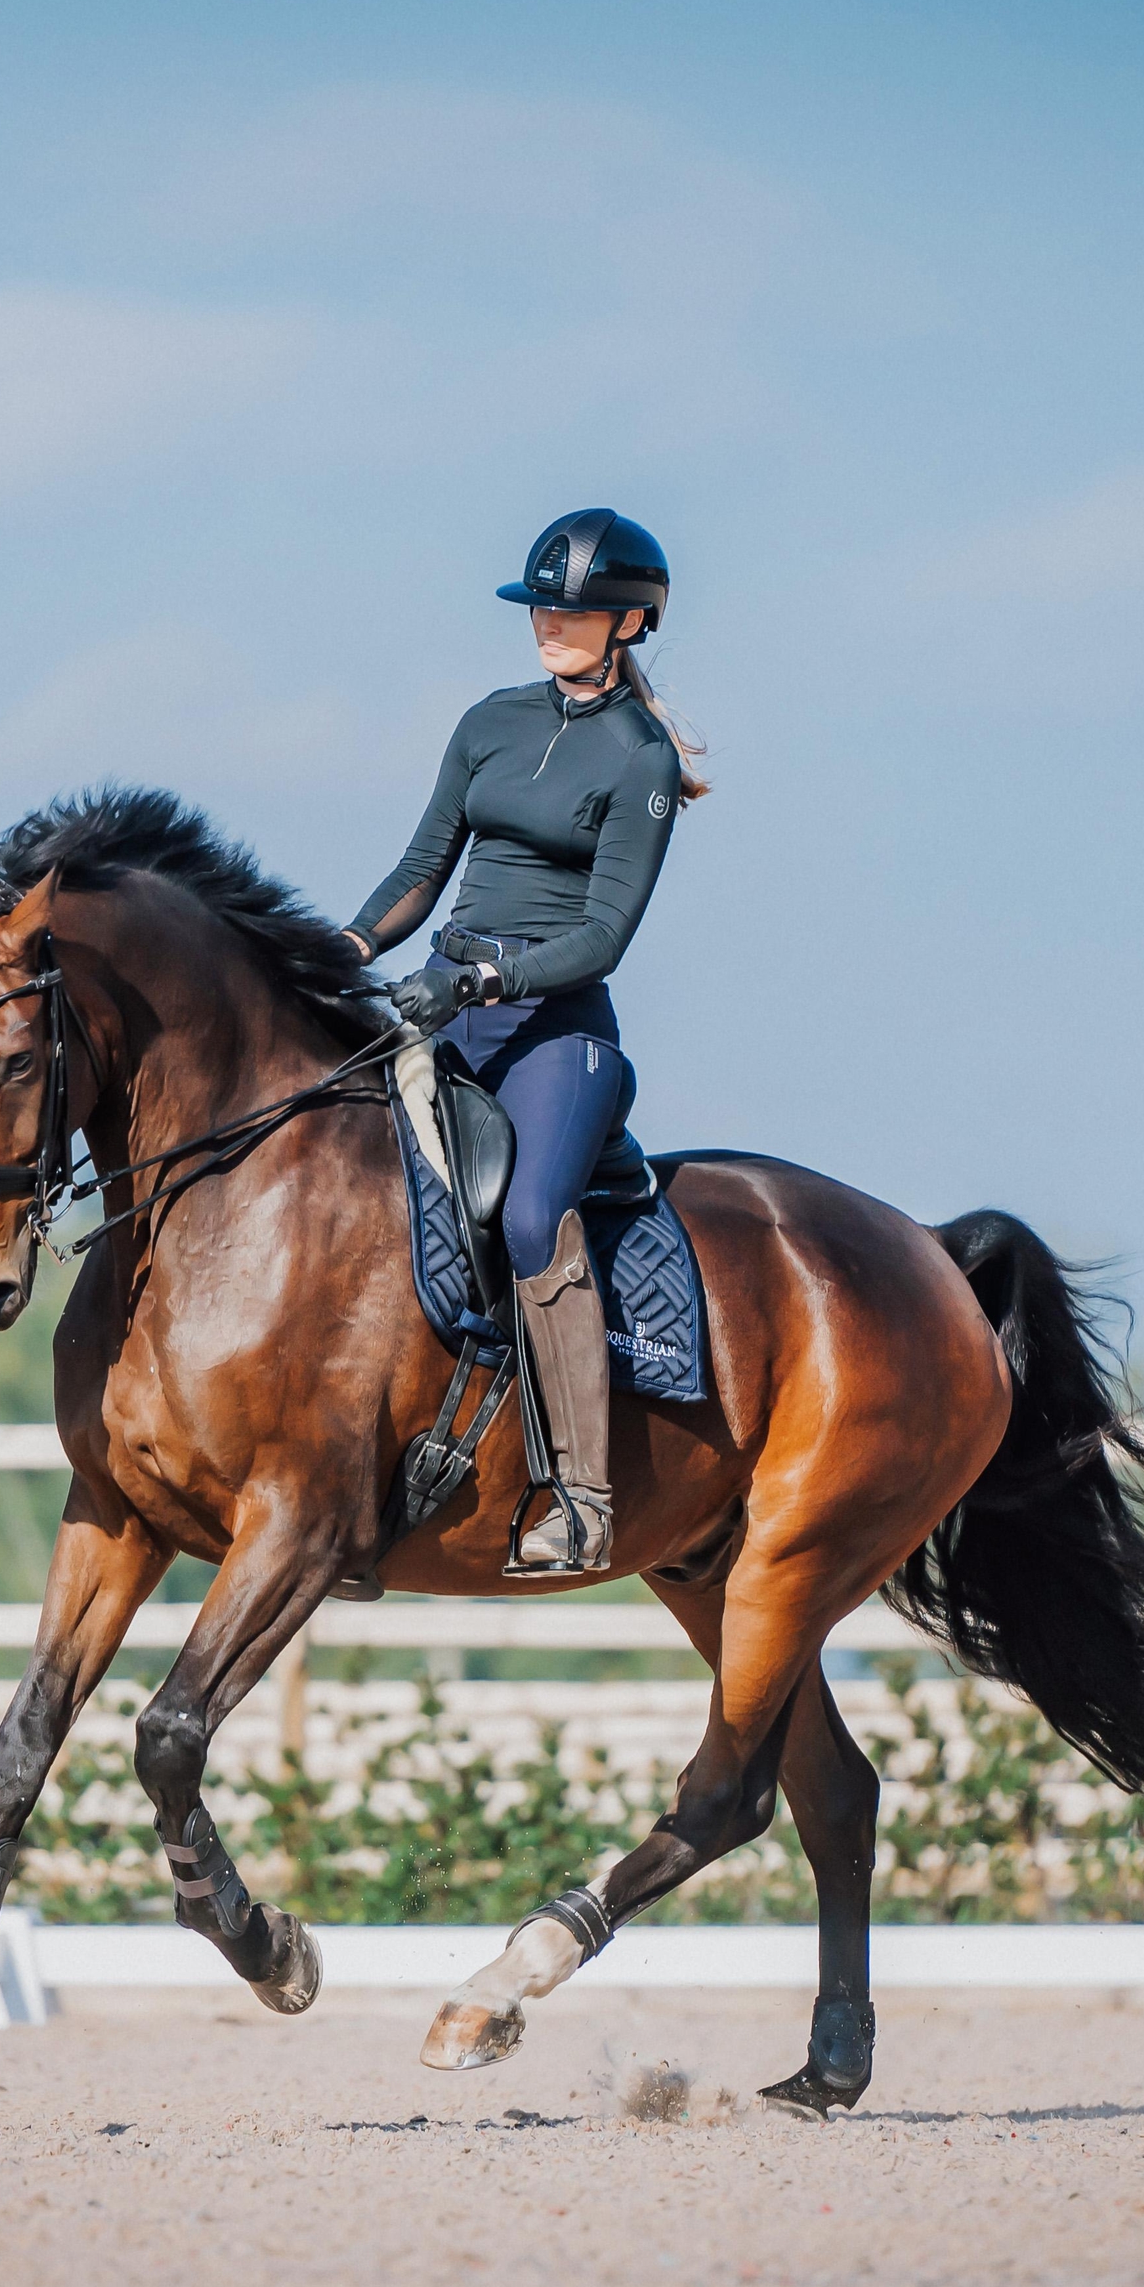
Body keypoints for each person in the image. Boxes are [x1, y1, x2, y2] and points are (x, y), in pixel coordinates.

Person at [344, 508, 710, 1575]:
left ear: (630, 620)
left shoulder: (639, 756)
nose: (556, 620)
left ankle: (582, 1492)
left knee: (531, 1212)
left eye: (582, 607)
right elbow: (422, 867)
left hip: (555, 1030)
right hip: (445, 995)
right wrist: (344, 943)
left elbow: (602, 937)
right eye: (546, 602)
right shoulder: (488, 721)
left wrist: (491, 974)